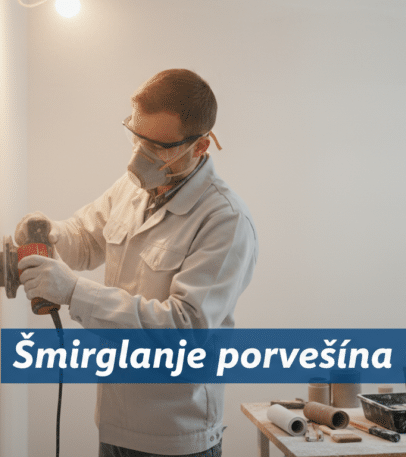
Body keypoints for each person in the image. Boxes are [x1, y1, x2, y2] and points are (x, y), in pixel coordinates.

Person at [15, 69, 258, 457]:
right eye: (137, 137)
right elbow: (87, 238)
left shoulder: (224, 220)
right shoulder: (133, 188)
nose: (139, 156)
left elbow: (184, 329)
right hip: (115, 424)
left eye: (157, 147)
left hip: (175, 437)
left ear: (199, 146)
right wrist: (53, 232)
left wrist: (74, 292)